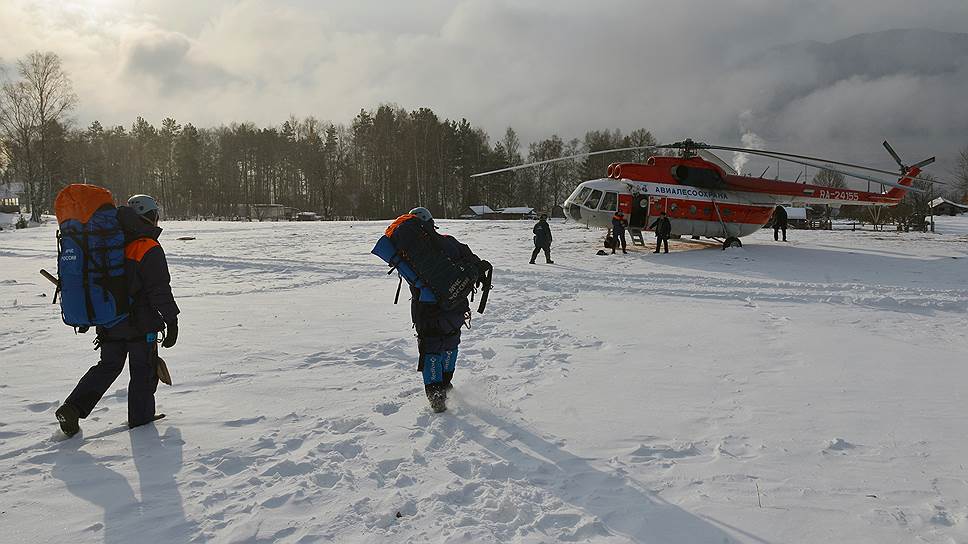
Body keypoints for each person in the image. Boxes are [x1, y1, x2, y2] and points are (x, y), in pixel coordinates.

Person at [55, 194, 179, 437]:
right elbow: (159, 289)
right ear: (151, 216)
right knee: (144, 370)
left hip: (109, 320)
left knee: (108, 366)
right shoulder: (147, 247)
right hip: (140, 325)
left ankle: (72, 408)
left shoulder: (109, 241)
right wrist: (171, 320)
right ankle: (141, 423)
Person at [407, 207, 491, 413]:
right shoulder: (450, 241)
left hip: (426, 310)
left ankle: (435, 393)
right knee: (451, 342)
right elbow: (474, 264)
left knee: (431, 348)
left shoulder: (408, 252)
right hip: (455, 307)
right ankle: (446, 382)